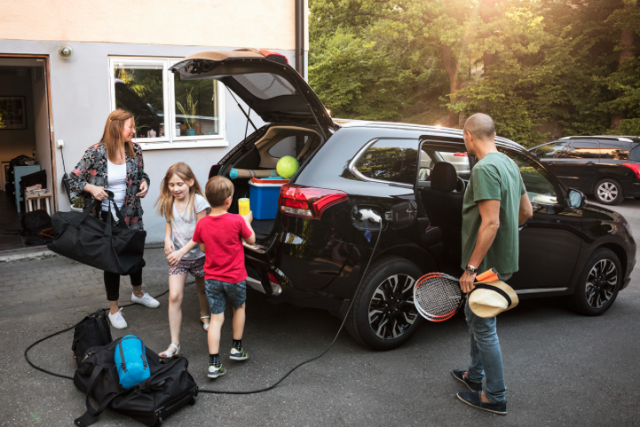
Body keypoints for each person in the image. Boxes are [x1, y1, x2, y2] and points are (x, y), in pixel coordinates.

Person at [452, 113, 533, 415]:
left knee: (484, 326)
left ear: (469, 136)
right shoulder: (509, 163)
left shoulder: (484, 168)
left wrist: (471, 269)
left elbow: (491, 223)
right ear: (494, 135)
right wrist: (510, 233)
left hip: (486, 265)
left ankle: (495, 396)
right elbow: (527, 211)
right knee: (475, 313)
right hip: (502, 260)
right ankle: (474, 376)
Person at [69, 109, 160, 329]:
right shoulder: (96, 152)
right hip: (106, 217)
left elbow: (141, 174)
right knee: (111, 261)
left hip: (132, 213)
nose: (134, 131)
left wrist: (145, 183)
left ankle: (138, 293)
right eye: (131, 126)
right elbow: (73, 179)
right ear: (117, 127)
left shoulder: (135, 150)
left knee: (135, 253)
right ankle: (114, 309)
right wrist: (91, 188)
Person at [167, 176, 255, 379]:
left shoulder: (203, 224)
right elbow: (251, 240)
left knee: (216, 318)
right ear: (228, 200)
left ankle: (214, 364)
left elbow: (203, 248)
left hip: (212, 279)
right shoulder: (237, 220)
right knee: (239, 307)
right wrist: (247, 222)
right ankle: (236, 349)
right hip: (234, 277)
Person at [155, 162, 212, 360]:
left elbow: (201, 233)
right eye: (171, 185)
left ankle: (205, 314)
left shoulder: (199, 202)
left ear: (190, 182)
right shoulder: (169, 201)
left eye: (179, 184)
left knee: (202, 289)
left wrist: (181, 252)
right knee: (174, 296)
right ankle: (175, 344)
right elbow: (169, 223)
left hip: (199, 256)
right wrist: (167, 239)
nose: (175, 189)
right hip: (178, 258)